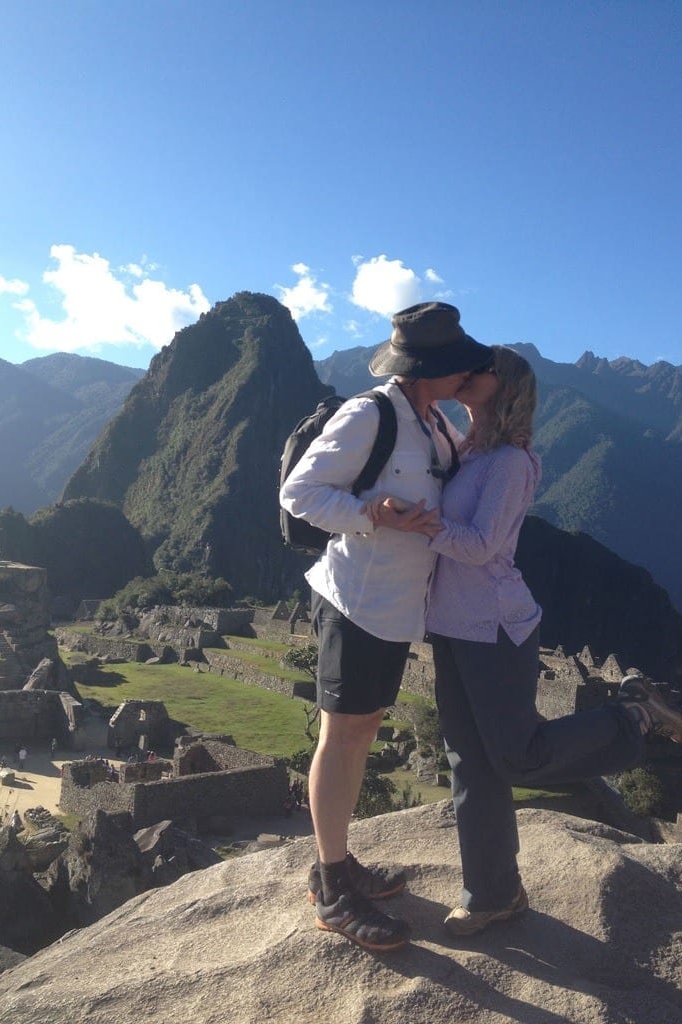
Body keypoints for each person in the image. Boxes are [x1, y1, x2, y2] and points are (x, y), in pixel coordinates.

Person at [378, 345, 682, 936]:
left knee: (517, 754)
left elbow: (478, 546)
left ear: (507, 387)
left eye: (482, 370)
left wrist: (417, 522)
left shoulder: (510, 464)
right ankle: (493, 893)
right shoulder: (469, 449)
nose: (468, 373)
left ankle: (632, 717)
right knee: (470, 764)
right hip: (450, 626)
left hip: (497, 626)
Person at [280, 301, 491, 951]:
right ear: (433, 367)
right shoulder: (369, 415)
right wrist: (376, 513)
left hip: (397, 609)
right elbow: (300, 494)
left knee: (361, 731)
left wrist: (482, 410)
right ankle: (330, 887)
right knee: (342, 737)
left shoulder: (434, 422)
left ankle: (342, 865)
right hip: (355, 601)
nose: (467, 373)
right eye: (459, 366)